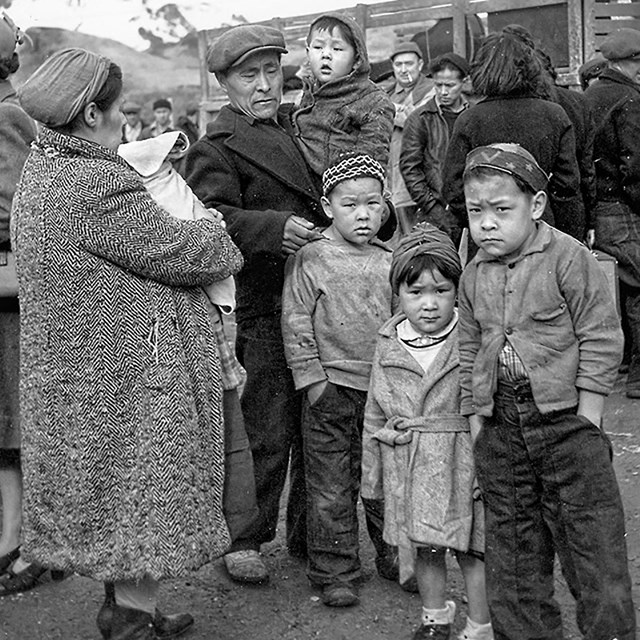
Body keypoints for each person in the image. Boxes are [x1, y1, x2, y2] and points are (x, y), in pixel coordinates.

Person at [11, 47, 243, 639]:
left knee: (119, 504)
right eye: (116, 111)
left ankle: (128, 608)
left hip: (82, 376)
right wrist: (213, 228)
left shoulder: (43, 171)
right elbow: (186, 252)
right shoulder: (98, 183)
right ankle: (132, 624)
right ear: (91, 114)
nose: (123, 121)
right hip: (131, 380)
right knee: (141, 504)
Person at [458, 142, 636, 639]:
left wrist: (589, 416)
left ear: (535, 206)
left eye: (501, 210)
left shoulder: (569, 258)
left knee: (594, 555)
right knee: (513, 561)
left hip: (567, 425)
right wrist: (477, 417)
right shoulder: (473, 271)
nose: (487, 224)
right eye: (476, 211)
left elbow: (601, 336)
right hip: (501, 428)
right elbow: (468, 348)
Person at [184, 24, 327, 585]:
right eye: (250, 75)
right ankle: (244, 537)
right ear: (223, 82)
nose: (265, 84)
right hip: (261, 304)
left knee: (320, 424)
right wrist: (273, 227)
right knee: (265, 426)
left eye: (272, 71)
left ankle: (312, 534)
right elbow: (206, 220)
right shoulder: (214, 148)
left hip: (317, 299)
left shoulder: (298, 130)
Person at [362, 223, 492, 640]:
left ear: (458, 291)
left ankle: (480, 624)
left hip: (462, 456)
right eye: (415, 292)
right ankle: (435, 616)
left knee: (473, 548)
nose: (429, 304)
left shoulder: (468, 340)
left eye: (441, 291)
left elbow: (487, 403)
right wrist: (372, 475)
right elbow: (374, 411)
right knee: (426, 546)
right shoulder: (388, 342)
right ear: (397, 295)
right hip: (411, 460)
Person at [281, 153, 395, 607]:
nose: (363, 215)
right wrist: (313, 381)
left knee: (383, 478)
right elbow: (296, 321)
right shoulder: (312, 259)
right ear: (328, 206)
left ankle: (394, 555)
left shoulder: (391, 259)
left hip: (382, 392)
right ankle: (335, 570)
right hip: (331, 389)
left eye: (372, 204)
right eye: (350, 204)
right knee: (330, 485)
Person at [443, 32, 584, 246]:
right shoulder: (554, 115)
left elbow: (453, 190)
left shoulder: (469, 119)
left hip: (488, 235)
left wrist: (481, 219)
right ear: (530, 69)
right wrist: (568, 239)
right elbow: (567, 189)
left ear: (482, 70)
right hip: (541, 234)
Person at [0, 11, 38, 594]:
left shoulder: (7, 116)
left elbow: (12, 212)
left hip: (7, 290)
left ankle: (19, 543)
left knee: (11, 426)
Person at [584, 28, 640, 399]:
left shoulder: (588, 96)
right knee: (639, 287)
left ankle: (622, 363)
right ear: (628, 62)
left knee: (619, 286)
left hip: (600, 206)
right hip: (626, 206)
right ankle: (638, 374)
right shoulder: (630, 100)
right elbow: (634, 164)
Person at [293, 13, 394, 180]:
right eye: (318, 47)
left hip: (342, 190)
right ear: (308, 53)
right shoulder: (308, 93)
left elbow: (372, 162)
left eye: (337, 49)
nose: (326, 55)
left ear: (357, 60)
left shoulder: (373, 101)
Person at [400, 53, 470, 236]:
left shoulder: (473, 115)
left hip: (472, 208)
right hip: (437, 213)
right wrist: (432, 207)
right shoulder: (420, 119)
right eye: (438, 85)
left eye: (450, 85)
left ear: (464, 82)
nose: (443, 92)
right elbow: (410, 169)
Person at [385, 42, 433, 230]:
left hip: (418, 178)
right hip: (390, 180)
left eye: (409, 64)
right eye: (398, 65)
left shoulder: (431, 89)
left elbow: (414, 119)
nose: (404, 70)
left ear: (420, 65)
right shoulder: (386, 92)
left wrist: (388, 109)